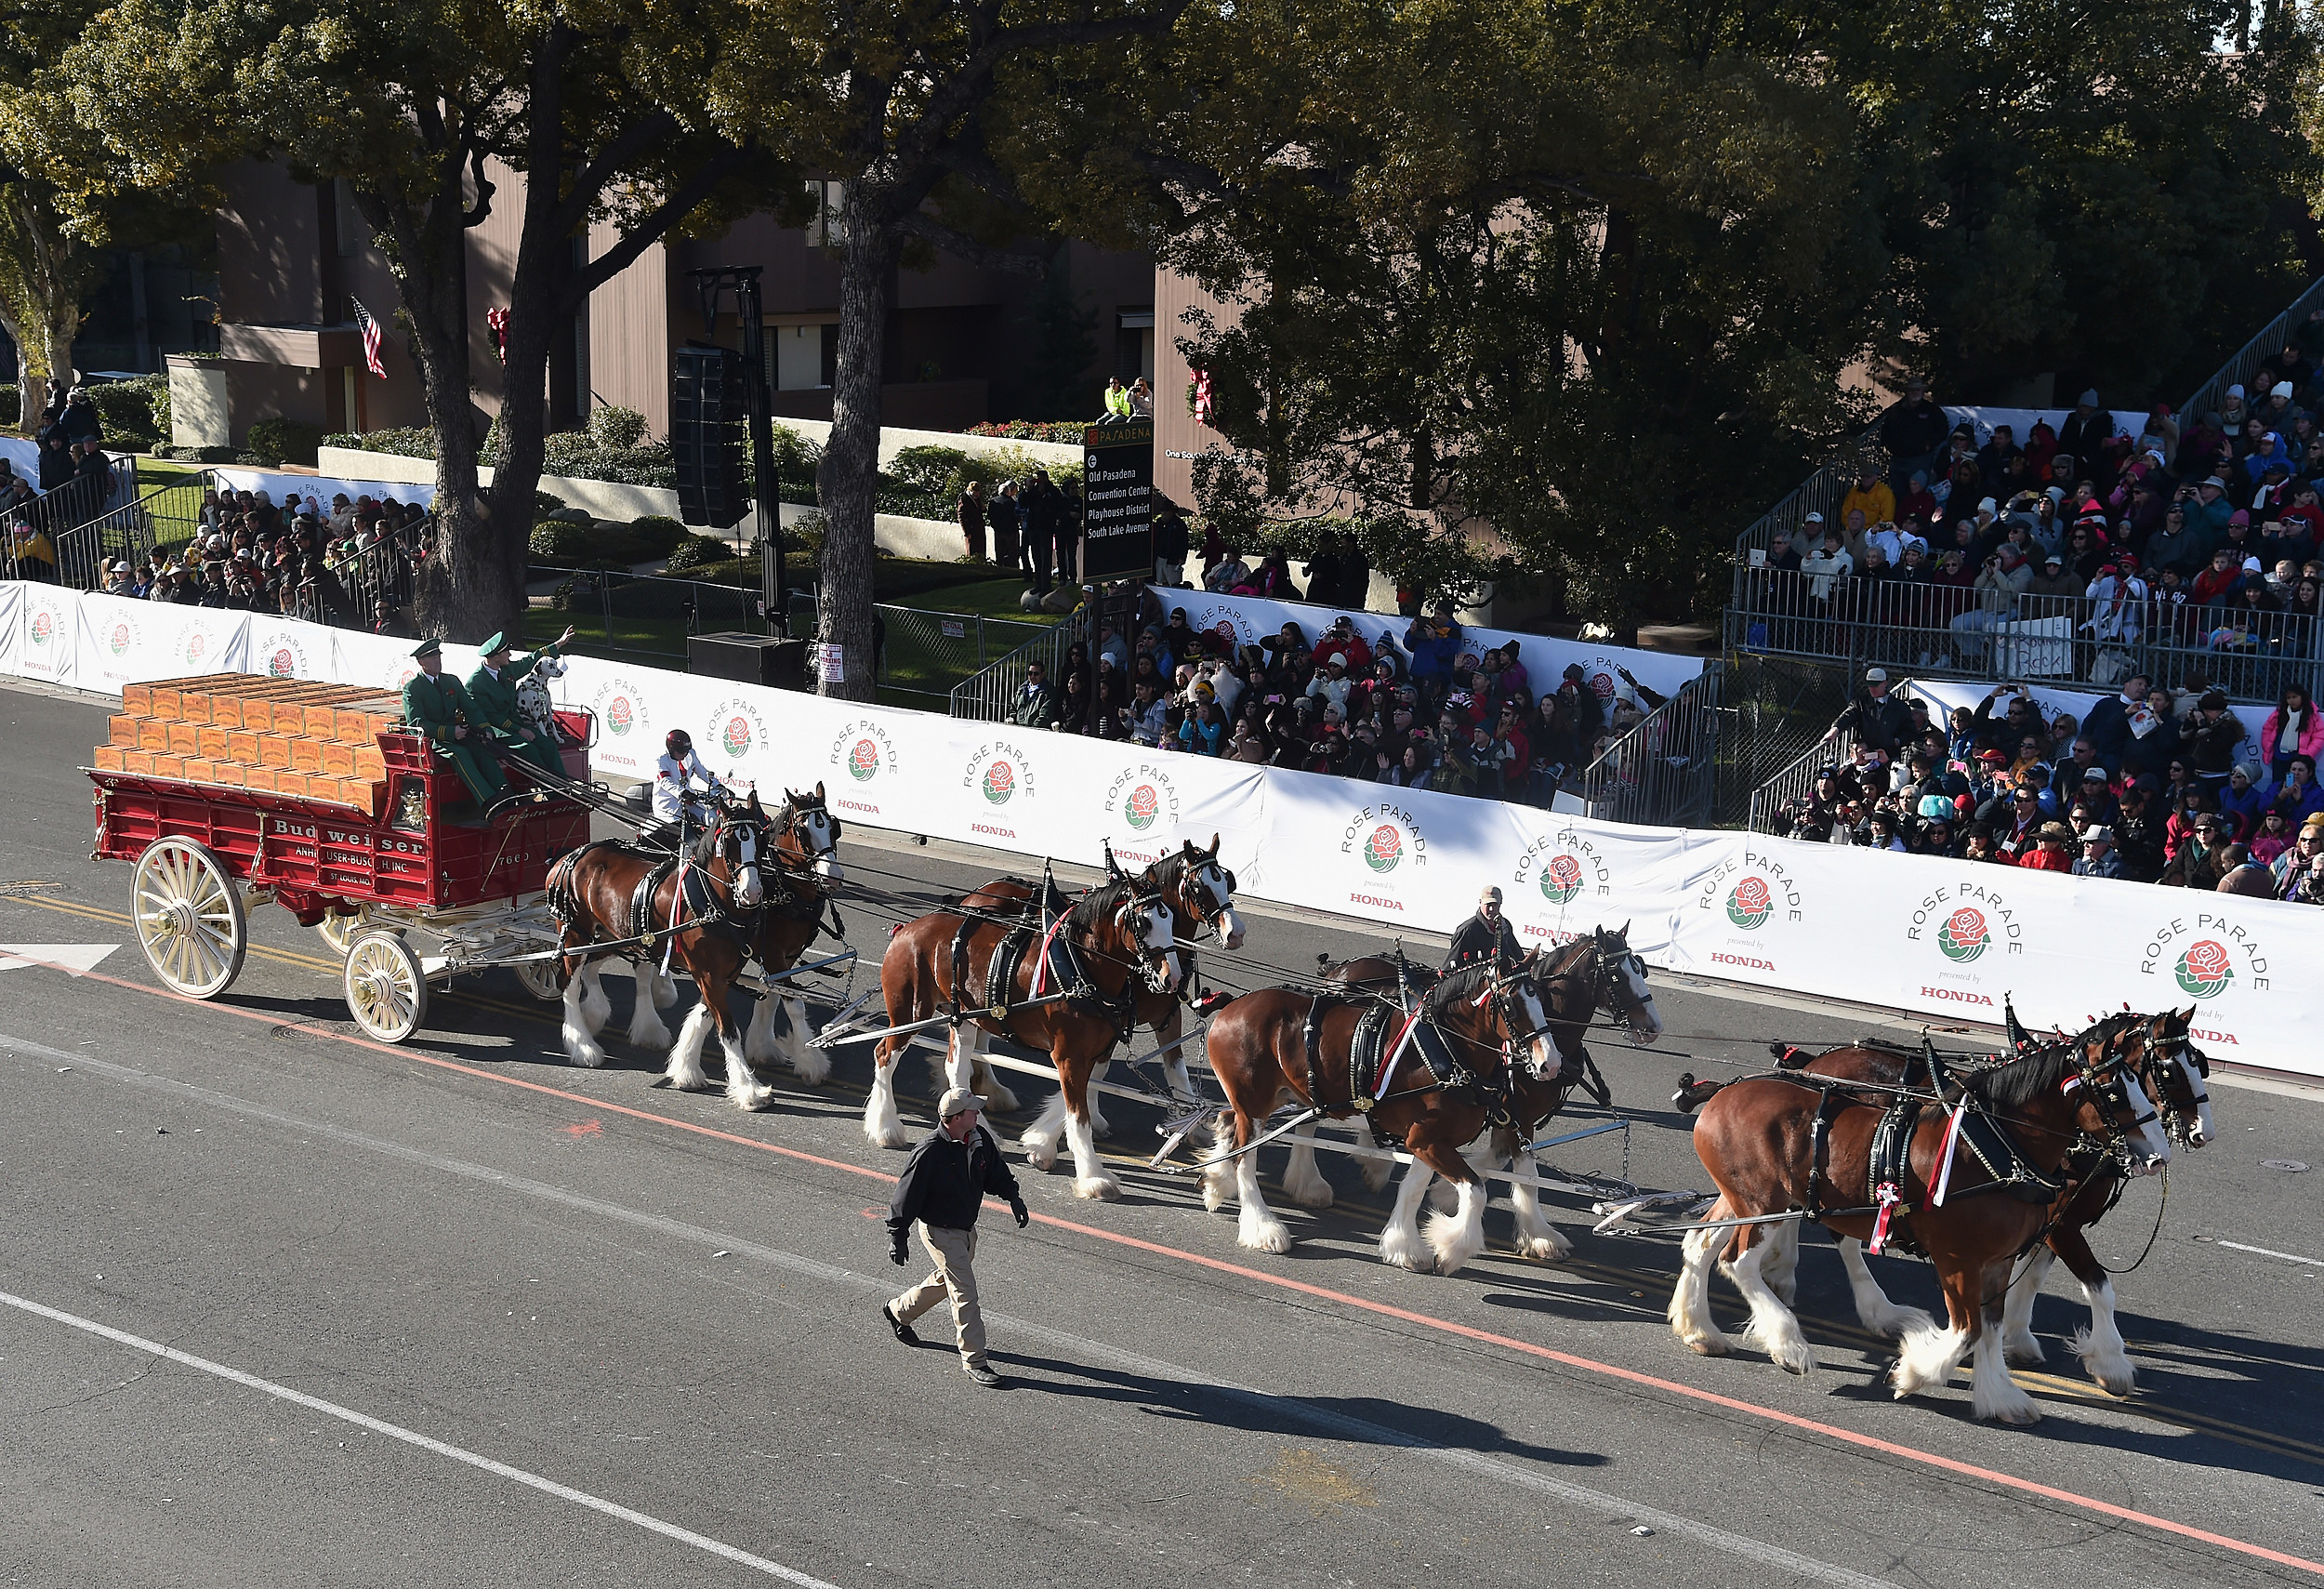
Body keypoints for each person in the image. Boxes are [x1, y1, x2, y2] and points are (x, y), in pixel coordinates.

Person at [882, 1087, 1027, 1389]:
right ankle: (975, 1361)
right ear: (955, 1118)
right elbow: (905, 1196)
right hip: (939, 1231)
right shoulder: (929, 1151)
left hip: (965, 1229)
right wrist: (898, 1235)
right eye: (973, 1110)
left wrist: (1014, 1198)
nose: (978, 1113)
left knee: (946, 1281)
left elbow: (996, 1173)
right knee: (965, 1293)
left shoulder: (978, 1138)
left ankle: (898, 1311)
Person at [400, 638, 505, 805]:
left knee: (482, 747)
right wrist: (450, 732)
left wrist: (485, 729)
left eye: (438, 657)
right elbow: (416, 723)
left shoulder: (451, 681)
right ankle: (488, 800)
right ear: (421, 662)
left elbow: (471, 708)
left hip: (457, 734)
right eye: (432, 658)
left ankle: (505, 793)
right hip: (433, 739)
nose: (437, 661)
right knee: (459, 754)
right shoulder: (413, 688)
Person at [466, 626, 576, 777]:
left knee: (548, 744)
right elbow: (491, 716)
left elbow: (532, 660)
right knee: (527, 747)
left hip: (516, 722)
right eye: (506, 652)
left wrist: (559, 643)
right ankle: (551, 789)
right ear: (495, 657)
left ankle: (563, 787)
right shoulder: (476, 683)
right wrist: (520, 730)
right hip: (498, 728)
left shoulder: (507, 669)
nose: (510, 654)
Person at [652, 728, 727, 844]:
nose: (685, 754)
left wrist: (718, 785)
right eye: (681, 752)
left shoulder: (690, 754)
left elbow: (702, 771)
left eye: (686, 750)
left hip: (689, 799)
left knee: (709, 818)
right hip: (669, 804)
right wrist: (682, 793)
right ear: (671, 749)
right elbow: (665, 782)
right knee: (682, 831)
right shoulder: (661, 760)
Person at [1443, 885, 1521, 973]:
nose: (1491, 909)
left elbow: (1517, 956)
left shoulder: (1505, 926)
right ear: (1480, 902)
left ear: (1500, 904)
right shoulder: (1467, 930)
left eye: (1495, 905)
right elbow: (1449, 969)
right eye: (1488, 905)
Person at [1010, 659, 1058, 728]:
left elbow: (1044, 716)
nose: (1032, 676)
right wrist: (1012, 720)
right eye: (1030, 673)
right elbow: (1013, 710)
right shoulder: (1021, 689)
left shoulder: (1048, 692)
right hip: (1018, 729)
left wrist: (1032, 729)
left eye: (1036, 674)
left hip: (1036, 731)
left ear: (1043, 674)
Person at [958, 480, 988, 562]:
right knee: (972, 552)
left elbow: (979, 509)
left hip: (979, 527)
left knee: (981, 551)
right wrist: (966, 532)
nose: (977, 494)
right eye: (975, 492)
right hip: (971, 529)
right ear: (971, 491)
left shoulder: (977, 498)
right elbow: (961, 516)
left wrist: (983, 508)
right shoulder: (964, 499)